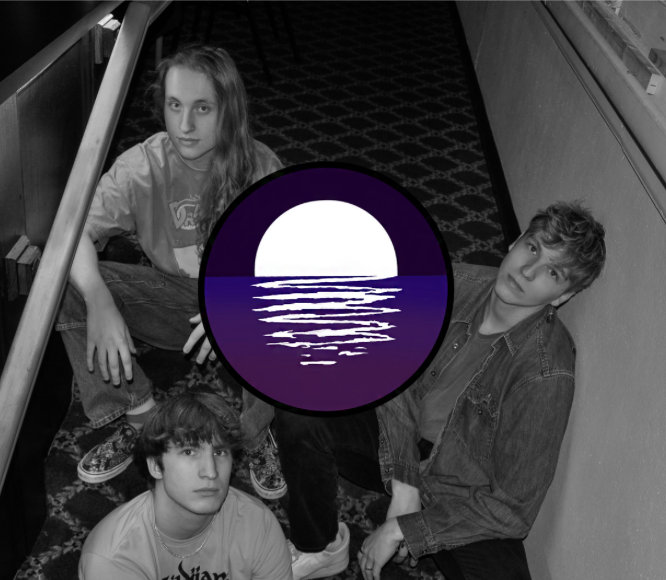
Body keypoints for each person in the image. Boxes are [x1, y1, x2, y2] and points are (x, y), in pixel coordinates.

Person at [272, 201, 606, 580]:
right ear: (515, 242)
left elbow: (513, 508)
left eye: (552, 272)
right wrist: (405, 483)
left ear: (562, 296)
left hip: (460, 491)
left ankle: (394, 525)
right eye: (532, 248)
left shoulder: (546, 374)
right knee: (303, 404)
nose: (528, 271)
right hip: (394, 439)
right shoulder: (452, 283)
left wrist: (405, 529)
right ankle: (320, 547)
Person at [56, 45, 284, 498]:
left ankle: (256, 432)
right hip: (173, 299)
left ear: (229, 110)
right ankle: (140, 418)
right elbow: (73, 234)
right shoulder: (143, 165)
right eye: (175, 105)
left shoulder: (259, 167)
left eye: (202, 108)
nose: (185, 125)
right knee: (62, 281)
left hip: (243, 306)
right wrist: (99, 301)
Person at [78, 386, 293, 579]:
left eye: (219, 452)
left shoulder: (258, 524)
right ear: (156, 466)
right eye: (189, 452)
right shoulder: (112, 559)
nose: (210, 472)